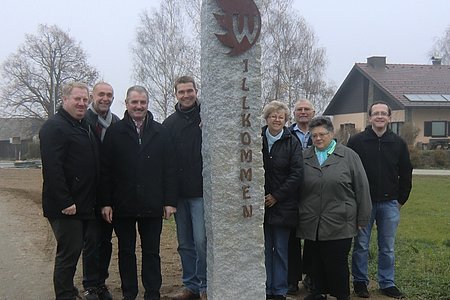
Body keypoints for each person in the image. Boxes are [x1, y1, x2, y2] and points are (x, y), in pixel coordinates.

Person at [99, 85, 178, 300]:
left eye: (143, 102)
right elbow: (105, 170)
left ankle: (152, 292)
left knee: (151, 252)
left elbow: (169, 168)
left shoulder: (161, 132)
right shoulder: (114, 132)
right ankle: (129, 292)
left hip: (153, 203)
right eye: (134, 102)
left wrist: (170, 201)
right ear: (126, 104)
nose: (139, 106)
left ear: (147, 104)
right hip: (123, 204)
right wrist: (106, 202)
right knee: (126, 252)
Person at [297, 116, 372, 300]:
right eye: (314, 135)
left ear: (331, 134)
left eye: (322, 134)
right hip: (312, 220)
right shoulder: (304, 156)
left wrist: (363, 218)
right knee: (316, 260)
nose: (318, 139)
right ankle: (318, 293)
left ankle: (341, 295)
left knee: (336, 262)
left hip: (341, 220)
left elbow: (362, 188)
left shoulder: (348, 156)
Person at [39, 82, 99, 300]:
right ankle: (64, 295)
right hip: (65, 206)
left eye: (85, 99)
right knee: (69, 253)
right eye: (77, 99)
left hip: (83, 203)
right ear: (64, 100)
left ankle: (70, 291)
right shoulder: (54, 127)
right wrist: (65, 202)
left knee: (74, 252)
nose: (82, 103)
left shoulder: (83, 125)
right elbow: (52, 168)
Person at [348, 101, 413, 299]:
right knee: (361, 245)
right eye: (376, 113)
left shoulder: (398, 143)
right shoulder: (357, 141)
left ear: (389, 118)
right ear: (369, 117)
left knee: (387, 247)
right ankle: (360, 282)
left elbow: (406, 173)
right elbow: (348, 172)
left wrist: (400, 200)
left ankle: (387, 282)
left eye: (383, 113)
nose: (379, 116)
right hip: (363, 203)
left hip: (389, 203)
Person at [162, 76, 207, 300]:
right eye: (181, 92)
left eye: (190, 91)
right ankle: (191, 286)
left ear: (196, 91)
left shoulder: (207, 117)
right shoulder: (169, 125)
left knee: (201, 241)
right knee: (185, 243)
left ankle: (205, 284)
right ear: (176, 94)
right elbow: (165, 162)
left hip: (201, 193)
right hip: (179, 194)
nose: (186, 95)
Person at [262, 101, 304, 300]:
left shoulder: (291, 141)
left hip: (283, 204)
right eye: (273, 116)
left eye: (281, 117)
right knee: (263, 249)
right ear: (267, 118)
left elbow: (296, 174)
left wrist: (276, 196)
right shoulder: (257, 137)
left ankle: (279, 289)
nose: (277, 120)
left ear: (286, 120)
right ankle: (266, 287)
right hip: (260, 205)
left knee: (280, 249)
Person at [84, 82, 120, 300]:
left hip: (110, 193)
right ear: (92, 97)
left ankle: (101, 283)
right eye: (101, 95)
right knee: (90, 241)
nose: (105, 99)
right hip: (88, 193)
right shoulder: (83, 122)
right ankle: (89, 285)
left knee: (106, 241)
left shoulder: (115, 123)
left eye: (109, 95)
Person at [287, 99, 315, 295]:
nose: (303, 112)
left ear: (313, 112)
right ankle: (292, 279)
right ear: (294, 113)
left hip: (315, 192)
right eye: (299, 110)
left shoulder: (322, 134)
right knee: (291, 239)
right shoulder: (287, 134)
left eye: (306, 109)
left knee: (314, 238)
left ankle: (312, 277)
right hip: (291, 193)